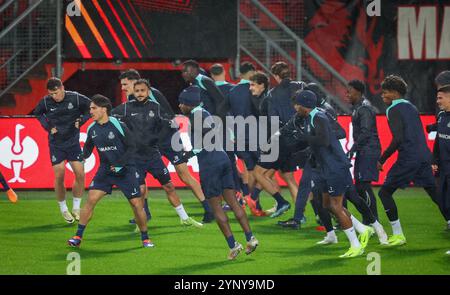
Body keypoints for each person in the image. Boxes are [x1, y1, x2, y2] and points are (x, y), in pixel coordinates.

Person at [118, 70, 213, 223]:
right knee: (142, 179)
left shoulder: (153, 93)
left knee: (184, 174)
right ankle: (145, 212)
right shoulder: (131, 101)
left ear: (135, 81)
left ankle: (208, 209)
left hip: (169, 140)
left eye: (125, 84)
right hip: (152, 145)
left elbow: (168, 114)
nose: (123, 87)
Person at [178, 85, 258, 260]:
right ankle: (250, 238)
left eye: (181, 103)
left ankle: (233, 245)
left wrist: (188, 153)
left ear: (188, 104)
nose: (179, 106)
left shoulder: (196, 116)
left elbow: (207, 137)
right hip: (223, 159)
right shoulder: (204, 112)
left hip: (210, 164)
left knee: (216, 207)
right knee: (233, 202)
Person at [67, 95, 153, 248]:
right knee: (91, 200)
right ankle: (77, 237)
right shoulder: (91, 128)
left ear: (104, 109)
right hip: (105, 170)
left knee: (136, 204)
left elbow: (132, 146)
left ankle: (145, 238)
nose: (91, 111)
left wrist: (120, 164)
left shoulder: (117, 124)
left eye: (94, 108)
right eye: (90, 108)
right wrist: (81, 157)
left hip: (126, 169)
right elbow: (88, 148)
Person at [377, 75, 448, 246]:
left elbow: (398, 139)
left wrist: (382, 159)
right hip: (424, 156)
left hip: (408, 158)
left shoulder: (392, 109)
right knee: (435, 193)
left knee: (384, 193)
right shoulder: (411, 106)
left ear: (394, 93)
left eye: (384, 92)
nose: (382, 96)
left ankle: (398, 235)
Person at [294, 90, 365, 258]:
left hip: (334, 168)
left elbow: (324, 140)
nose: (295, 107)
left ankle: (356, 245)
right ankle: (363, 229)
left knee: (335, 206)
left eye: (297, 104)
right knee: (326, 204)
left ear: (304, 105)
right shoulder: (313, 116)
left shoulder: (318, 117)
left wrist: (304, 137)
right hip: (327, 167)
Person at [34, 78, 90, 223]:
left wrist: (82, 120)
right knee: (59, 175)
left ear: (62, 88)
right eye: (51, 94)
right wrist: (48, 126)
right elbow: (38, 113)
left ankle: (76, 207)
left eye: (56, 93)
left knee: (80, 173)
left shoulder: (76, 98)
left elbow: (90, 107)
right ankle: (64, 209)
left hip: (73, 143)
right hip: (56, 144)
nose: (54, 96)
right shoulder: (46, 102)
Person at [345, 80, 381, 221]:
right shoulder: (358, 108)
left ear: (358, 92)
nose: (347, 94)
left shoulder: (364, 109)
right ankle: (370, 219)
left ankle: (373, 220)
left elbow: (366, 132)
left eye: (349, 91)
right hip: (365, 149)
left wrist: (353, 148)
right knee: (361, 186)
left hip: (369, 149)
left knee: (363, 186)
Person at [431, 85, 450, 230]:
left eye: (440, 97)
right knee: (442, 201)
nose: (437, 101)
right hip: (443, 167)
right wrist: (434, 160)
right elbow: (438, 140)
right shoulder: (441, 116)